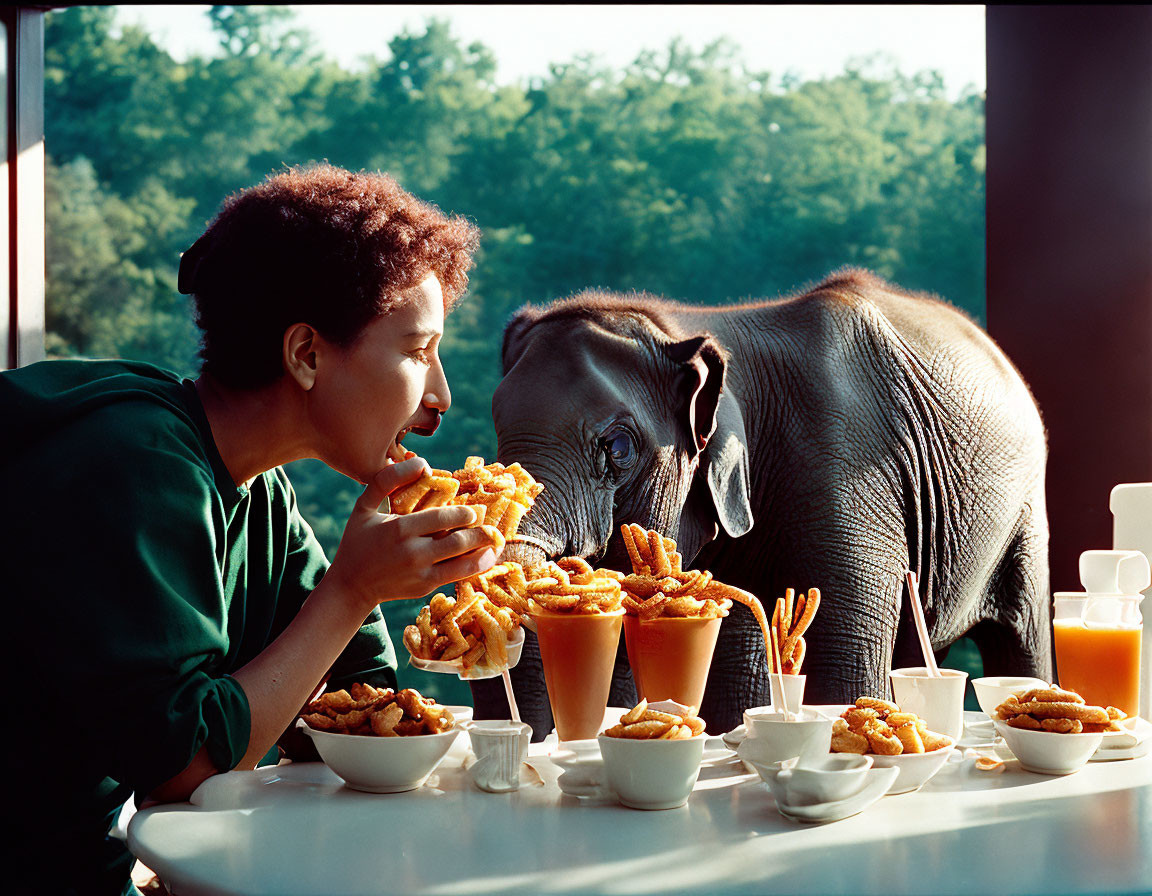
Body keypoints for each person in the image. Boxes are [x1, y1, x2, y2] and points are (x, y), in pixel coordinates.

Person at [2, 163, 501, 895]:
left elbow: (359, 709)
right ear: (305, 355)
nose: (440, 397)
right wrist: (354, 589)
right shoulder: (135, 463)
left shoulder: (261, 492)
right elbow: (182, 768)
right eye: (417, 351)